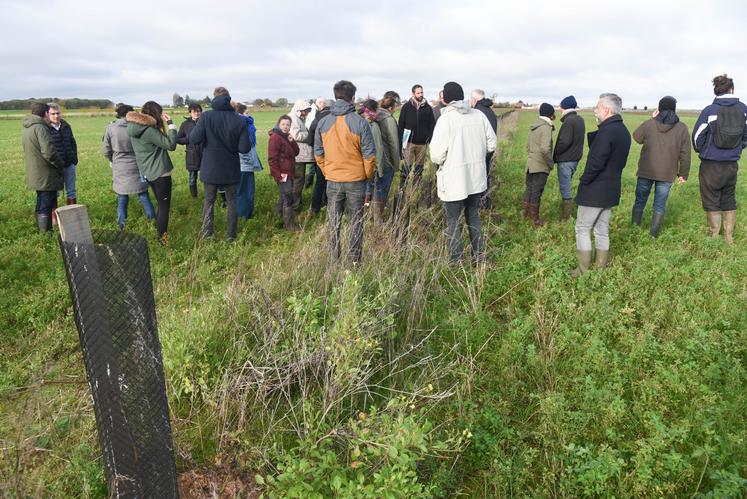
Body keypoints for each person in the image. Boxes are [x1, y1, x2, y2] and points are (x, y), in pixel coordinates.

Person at [429, 82, 497, 265]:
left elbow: (436, 155)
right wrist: (476, 157)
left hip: (453, 181)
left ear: (445, 99)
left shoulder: (446, 120)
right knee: (473, 217)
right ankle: (479, 258)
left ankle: (456, 261)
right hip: (476, 179)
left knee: (453, 222)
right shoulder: (479, 115)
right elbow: (492, 144)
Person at [314, 80, 376, 263]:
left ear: (335, 96)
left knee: (334, 222)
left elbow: (318, 153)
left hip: (332, 180)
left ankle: (334, 260)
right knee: (356, 222)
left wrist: (328, 171)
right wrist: (366, 175)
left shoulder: (323, 122)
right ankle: (354, 262)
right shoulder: (360, 123)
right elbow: (369, 156)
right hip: (356, 180)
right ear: (353, 98)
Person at [571, 93, 631, 277]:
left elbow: (595, 163)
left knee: (582, 228)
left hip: (595, 189)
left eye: (597, 106)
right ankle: (600, 267)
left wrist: (584, 181)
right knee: (601, 230)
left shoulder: (607, 131)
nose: (595, 109)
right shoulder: (623, 131)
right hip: (611, 188)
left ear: (606, 109)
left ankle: (582, 270)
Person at [189, 86, 252, 241]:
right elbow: (244, 149)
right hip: (231, 167)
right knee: (232, 201)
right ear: (229, 98)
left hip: (210, 167)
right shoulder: (239, 119)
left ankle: (207, 234)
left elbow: (194, 138)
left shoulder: (206, 117)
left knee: (209, 201)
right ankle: (231, 235)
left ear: (214, 98)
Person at [692, 74, 747, 244]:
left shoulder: (709, 110)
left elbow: (697, 137)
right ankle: (729, 238)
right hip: (732, 163)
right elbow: (746, 136)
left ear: (716, 90)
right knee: (729, 197)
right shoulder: (744, 109)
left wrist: (704, 151)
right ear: (732, 89)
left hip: (711, 164)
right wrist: (737, 148)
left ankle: (715, 236)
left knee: (711, 198)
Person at [631, 96, 691, 237]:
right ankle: (653, 235)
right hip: (667, 174)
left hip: (646, 171)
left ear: (659, 109)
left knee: (640, 200)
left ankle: (634, 229)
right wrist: (683, 174)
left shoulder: (650, 124)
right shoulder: (682, 128)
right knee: (660, 204)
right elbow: (686, 154)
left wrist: (652, 119)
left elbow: (636, 137)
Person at [127, 101, 178, 244]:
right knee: (164, 207)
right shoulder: (149, 131)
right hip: (161, 173)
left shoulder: (134, 128)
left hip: (149, 173)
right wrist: (171, 124)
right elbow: (171, 145)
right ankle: (162, 239)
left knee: (160, 205)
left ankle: (160, 233)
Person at [103, 103, 156, 229]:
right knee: (143, 194)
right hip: (138, 163)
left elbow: (106, 149)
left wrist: (113, 160)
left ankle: (121, 224)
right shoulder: (137, 127)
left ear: (118, 114)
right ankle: (153, 221)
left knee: (122, 196)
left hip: (120, 165)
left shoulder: (111, 128)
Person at [22, 102, 66, 232]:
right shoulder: (40, 128)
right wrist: (60, 163)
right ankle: (46, 232)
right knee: (46, 203)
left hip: (36, 171)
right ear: (46, 113)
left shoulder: (28, 127)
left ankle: (44, 230)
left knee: (41, 200)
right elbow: (49, 152)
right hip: (45, 173)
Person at [553, 95, 586, 220]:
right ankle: (569, 212)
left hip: (566, 160)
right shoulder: (580, 120)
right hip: (575, 159)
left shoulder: (569, 121)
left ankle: (566, 216)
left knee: (565, 187)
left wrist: (556, 154)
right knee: (567, 185)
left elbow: (564, 142)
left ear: (564, 107)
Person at [523, 103, 555, 226]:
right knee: (537, 191)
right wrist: (550, 163)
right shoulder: (546, 127)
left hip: (530, 164)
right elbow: (545, 149)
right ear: (551, 115)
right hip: (540, 166)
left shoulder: (535, 126)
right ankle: (535, 220)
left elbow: (527, 146)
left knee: (529, 189)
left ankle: (526, 215)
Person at [398, 84, 436, 187]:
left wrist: (429, 137)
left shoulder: (427, 108)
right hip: (409, 142)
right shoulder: (406, 107)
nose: (420, 94)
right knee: (406, 167)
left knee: (419, 168)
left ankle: (416, 188)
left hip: (422, 144)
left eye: (421, 92)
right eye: (418, 93)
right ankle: (403, 188)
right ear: (413, 94)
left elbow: (432, 124)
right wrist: (400, 142)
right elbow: (401, 124)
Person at [268, 115, 300, 231]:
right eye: (283, 124)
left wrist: (292, 142)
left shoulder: (286, 137)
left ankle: (277, 218)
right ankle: (289, 224)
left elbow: (296, 152)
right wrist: (278, 175)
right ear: (278, 124)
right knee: (288, 197)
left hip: (289, 172)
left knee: (283, 196)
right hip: (282, 173)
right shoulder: (275, 137)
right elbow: (272, 159)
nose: (286, 127)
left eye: (288, 125)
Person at [373, 92, 401, 223]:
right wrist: (396, 164)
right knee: (382, 190)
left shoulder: (375, 115)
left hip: (373, 159)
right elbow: (394, 144)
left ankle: (372, 214)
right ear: (392, 107)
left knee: (374, 189)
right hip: (386, 161)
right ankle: (379, 219)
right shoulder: (389, 120)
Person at [470, 90, 498, 208]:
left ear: (475, 99)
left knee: (478, 178)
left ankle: (480, 203)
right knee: (485, 175)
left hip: (479, 151)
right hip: (488, 150)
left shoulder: (477, 113)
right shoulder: (490, 111)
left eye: (471, 98)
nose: (470, 100)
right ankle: (485, 201)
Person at [46, 103, 78, 205]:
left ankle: (72, 213)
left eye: (58, 113)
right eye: (53, 114)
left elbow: (73, 142)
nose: (56, 116)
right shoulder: (45, 128)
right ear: (47, 114)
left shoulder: (66, 126)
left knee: (71, 191)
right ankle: (54, 217)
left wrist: (74, 159)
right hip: (54, 167)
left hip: (69, 164)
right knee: (54, 193)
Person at [235, 102, 263, 220]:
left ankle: (247, 213)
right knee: (243, 190)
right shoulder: (241, 126)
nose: (249, 115)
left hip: (247, 163)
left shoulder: (247, 124)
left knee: (248, 190)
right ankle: (243, 215)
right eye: (247, 113)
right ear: (240, 114)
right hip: (242, 163)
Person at [358, 99, 385, 217]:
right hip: (370, 165)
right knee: (369, 191)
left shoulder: (357, 122)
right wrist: (379, 167)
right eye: (376, 110)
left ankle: (363, 215)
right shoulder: (372, 125)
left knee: (366, 191)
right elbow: (378, 148)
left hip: (359, 165)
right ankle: (368, 216)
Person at [307, 97, 331, 215]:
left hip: (319, 155)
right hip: (332, 155)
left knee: (320, 182)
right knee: (331, 181)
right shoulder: (334, 119)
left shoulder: (316, 120)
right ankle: (328, 204)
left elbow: (310, 139)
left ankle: (315, 208)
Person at [289, 99, 314, 212]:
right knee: (298, 181)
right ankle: (294, 207)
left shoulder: (297, 118)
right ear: (300, 109)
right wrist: (310, 135)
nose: (307, 113)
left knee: (299, 181)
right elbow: (296, 135)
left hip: (299, 155)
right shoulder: (293, 118)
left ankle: (295, 204)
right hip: (296, 156)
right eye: (306, 111)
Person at [176, 103, 203, 198]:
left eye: (198, 111)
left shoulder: (205, 122)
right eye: (194, 112)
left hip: (205, 155)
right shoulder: (185, 124)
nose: (197, 113)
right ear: (190, 113)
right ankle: (194, 197)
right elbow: (178, 139)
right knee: (192, 178)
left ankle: (210, 195)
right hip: (192, 155)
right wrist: (189, 139)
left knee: (208, 178)